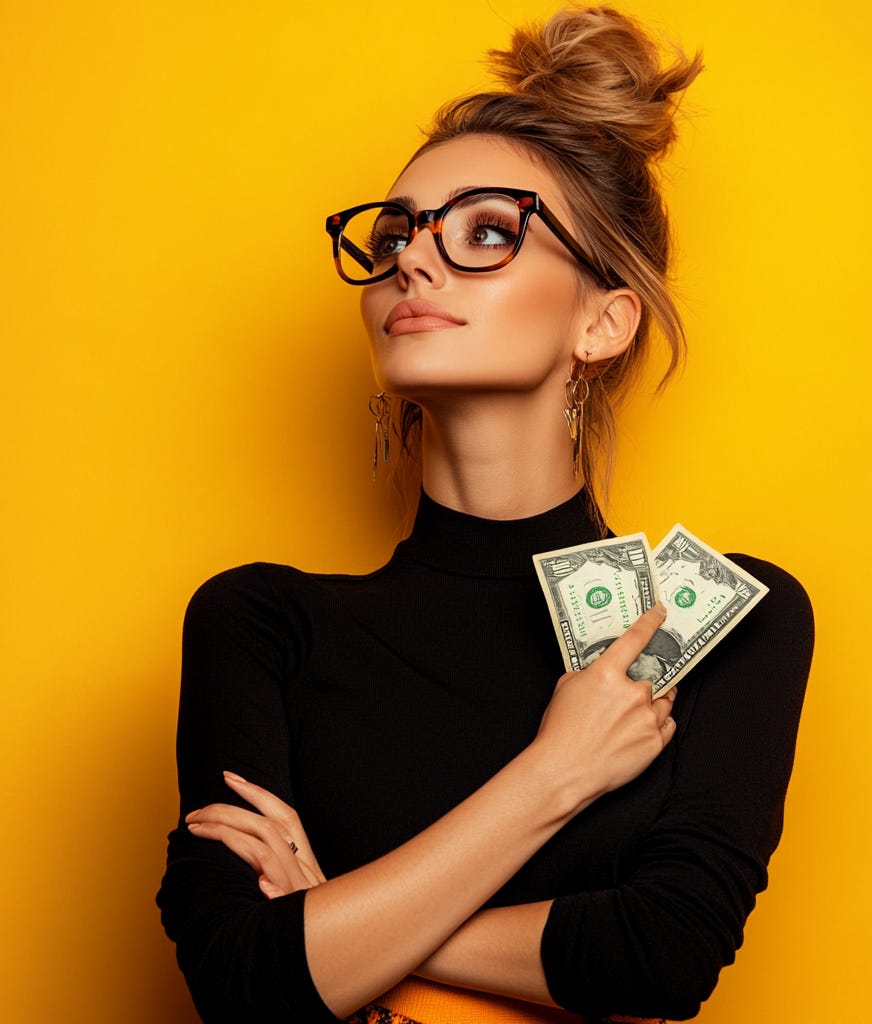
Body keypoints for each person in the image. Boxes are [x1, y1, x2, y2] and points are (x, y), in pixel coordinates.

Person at [157, 8, 814, 1023]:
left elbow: (662, 952)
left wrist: (332, 915)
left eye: (486, 232)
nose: (411, 262)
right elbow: (242, 983)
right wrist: (559, 770)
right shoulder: (262, 625)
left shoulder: (726, 620)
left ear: (601, 320)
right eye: (394, 234)